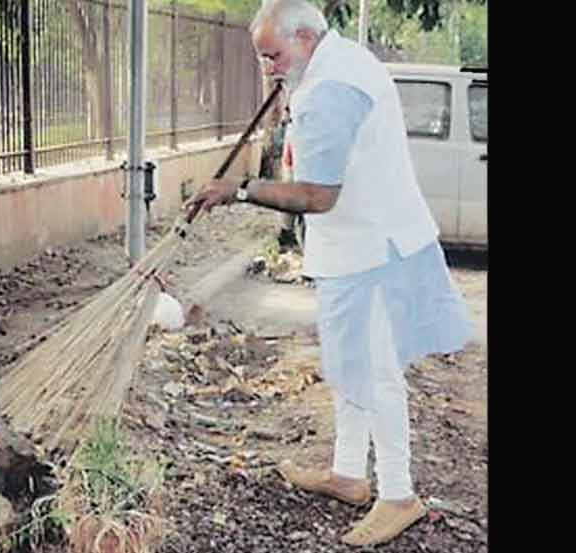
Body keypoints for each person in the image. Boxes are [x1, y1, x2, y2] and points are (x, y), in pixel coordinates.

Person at [182, 0, 474, 547]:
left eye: (272, 56)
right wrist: (289, 100)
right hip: (359, 245)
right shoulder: (335, 63)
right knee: (348, 364)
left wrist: (237, 190)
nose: (268, 68)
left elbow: (317, 195)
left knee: (378, 372)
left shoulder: (330, 92)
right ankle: (348, 474)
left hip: (374, 252)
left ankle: (398, 495)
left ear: (305, 40)